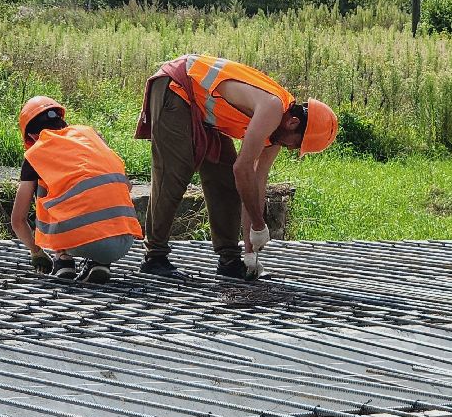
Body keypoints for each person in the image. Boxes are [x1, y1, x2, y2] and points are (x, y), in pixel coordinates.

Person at [134, 54, 338, 279]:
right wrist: (259, 226)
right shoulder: (272, 107)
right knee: (175, 172)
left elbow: (256, 183)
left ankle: (230, 259)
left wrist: (251, 252)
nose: (291, 149)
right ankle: (154, 257)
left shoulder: (277, 134)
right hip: (177, 86)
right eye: (297, 144)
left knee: (225, 179)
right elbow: (243, 167)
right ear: (293, 123)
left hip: (202, 109)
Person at [10, 96, 142, 285]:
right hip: (123, 240)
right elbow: (126, 186)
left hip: (76, 239)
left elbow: (18, 220)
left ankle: (62, 259)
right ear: (63, 121)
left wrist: (36, 251)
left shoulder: (37, 153)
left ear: (31, 136)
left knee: (46, 185)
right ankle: (100, 263)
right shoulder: (91, 137)